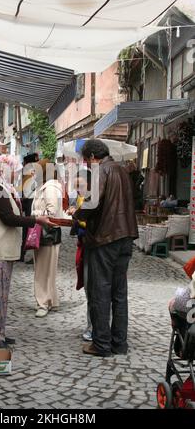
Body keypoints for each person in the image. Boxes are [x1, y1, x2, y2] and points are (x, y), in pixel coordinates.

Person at [0, 155, 54, 348]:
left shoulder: (0, 187)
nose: (17, 175)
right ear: (4, 171)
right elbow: (8, 218)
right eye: (14, 171)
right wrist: (37, 220)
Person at [73, 139, 138, 357]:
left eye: (85, 159)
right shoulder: (122, 170)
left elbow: (93, 202)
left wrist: (77, 215)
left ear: (92, 157)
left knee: (100, 290)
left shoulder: (102, 170)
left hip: (106, 237)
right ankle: (119, 343)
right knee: (119, 292)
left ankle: (101, 344)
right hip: (125, 235)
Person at [32, 159, 64, 317]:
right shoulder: (49, 187)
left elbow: (51, 212)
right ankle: (51, 300)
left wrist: (34, 215)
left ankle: (43, 302)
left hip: (46, 232)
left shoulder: (49, 188)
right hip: (49, 233)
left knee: (43, 270)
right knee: (48, 269)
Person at [68, 168, 93, 342]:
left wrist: (77, 218)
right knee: (89, 288)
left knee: (94, 289)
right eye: (76, 186)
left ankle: (94, 327)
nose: (78, 189)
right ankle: (92, 325)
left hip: (93, 247)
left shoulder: (93, 199)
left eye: (81, 185)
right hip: (84, 245)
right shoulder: (82, 197)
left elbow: (90, 222)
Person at [20, 153, 39, 263]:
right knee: (34, 226)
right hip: (34, 199)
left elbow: (27, 187)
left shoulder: (28, 170)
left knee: (27, 226)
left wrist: (24, 198)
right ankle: (32, 254)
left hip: (29, 200)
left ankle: (22, 253)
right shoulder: (37, 170)